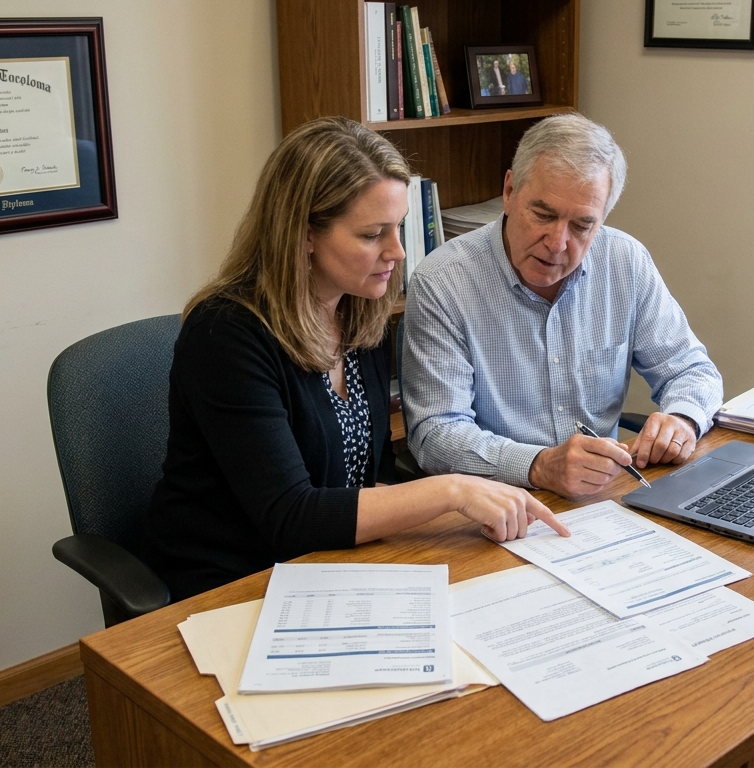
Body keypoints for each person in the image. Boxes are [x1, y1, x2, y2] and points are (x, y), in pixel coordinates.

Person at [143, 117, 567, 601]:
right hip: (232, 582)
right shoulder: (225, 336)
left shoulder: (360, 316)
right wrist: (451, 491)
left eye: (398, 228)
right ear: (304, 233)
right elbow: (291, 516)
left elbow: (374, 474)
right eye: (372, 235)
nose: (398, 252)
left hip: (333, 566)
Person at [402, 113, 723, 500]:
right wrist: (539, 465)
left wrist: (682, 419)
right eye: (544, 215)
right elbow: (435, 434)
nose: (557, 243)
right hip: (494, 507)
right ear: (508, 191)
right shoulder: (444, 282)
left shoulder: (625, 262)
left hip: (602, 497)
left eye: (582, 226)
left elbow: (692, 370)